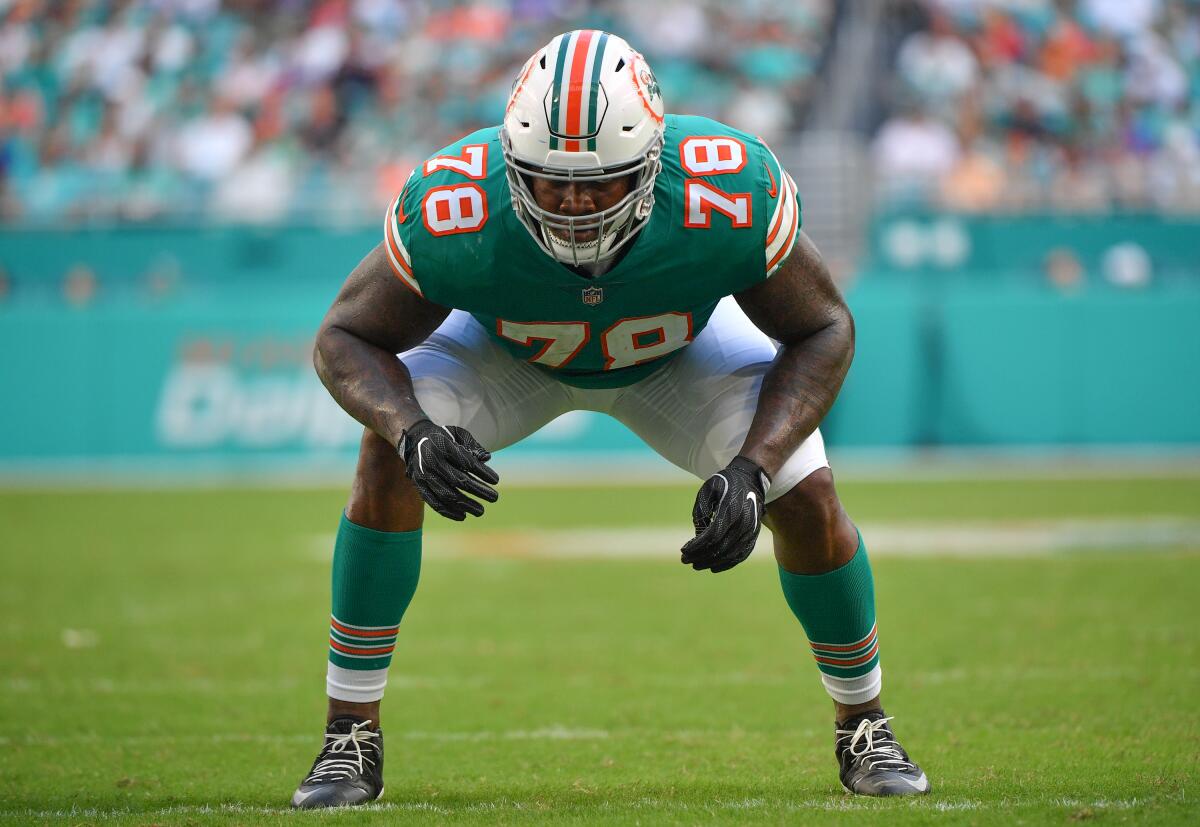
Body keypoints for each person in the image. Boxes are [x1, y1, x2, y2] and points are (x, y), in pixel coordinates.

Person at [292, 31, 930, 809]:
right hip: (507, 353)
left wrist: (754, 468)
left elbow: (826, 326)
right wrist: (410, 429)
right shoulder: (456, 200)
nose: (574, 204)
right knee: (385, 458)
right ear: (510, 163)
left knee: (804, 492)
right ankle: (348, 735)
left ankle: (864, 721)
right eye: (549, 182)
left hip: (680, 353)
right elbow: (343, 337)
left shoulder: (724, 190)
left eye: (601, 183)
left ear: (653, 162)